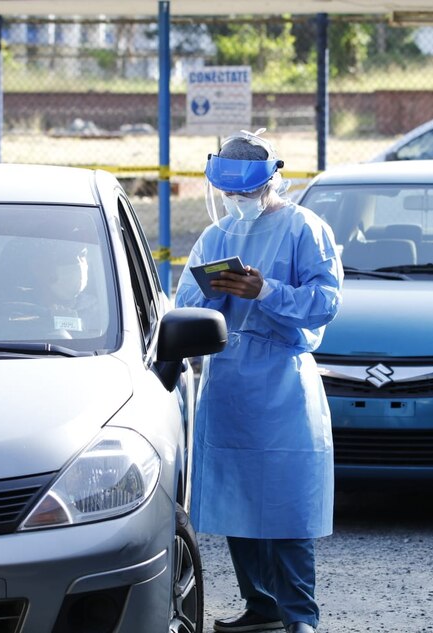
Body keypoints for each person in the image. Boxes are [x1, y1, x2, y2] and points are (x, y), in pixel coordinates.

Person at [175, 129, 342, 633]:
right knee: (236, 501)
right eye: (229, 192)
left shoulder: (303, 228)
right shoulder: (217, 236)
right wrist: (214, 292)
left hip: (283, 381)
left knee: (287, 506)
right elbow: (185, 303)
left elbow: (325, 302)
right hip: (229, 382)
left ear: (271, 182)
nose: (237, 200)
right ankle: (261, 605)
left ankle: (299, 615)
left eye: (245, 191)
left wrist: (265, 291)